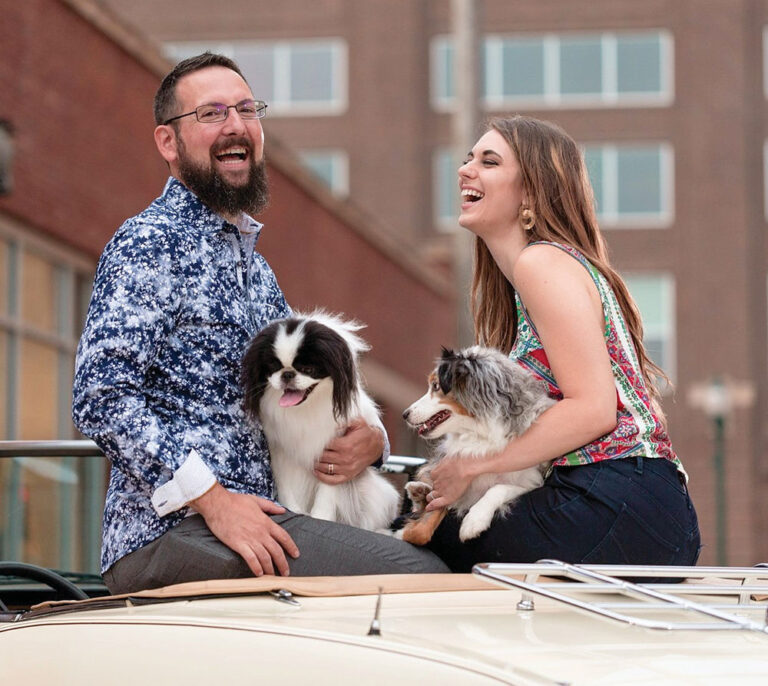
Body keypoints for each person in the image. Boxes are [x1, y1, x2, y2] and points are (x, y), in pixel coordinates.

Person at [72, 52, 447, 594]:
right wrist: (214, 502)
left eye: (247, 109)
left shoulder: (257, 268)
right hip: (174, 531)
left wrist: (373, 441)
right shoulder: (148, 243)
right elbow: (101, 396)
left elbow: (307, 391)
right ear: (167, 142)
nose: (236, 125)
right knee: (420, 576)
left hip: (268, 517)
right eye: (212, 113)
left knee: (448, 545)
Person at [423, 115, 701, 572]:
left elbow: (593, 409)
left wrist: (470, 468)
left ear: (531, 192)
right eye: (468, 158)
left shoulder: (542, 263)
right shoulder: (543, 269)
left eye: (489, 162)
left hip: (613, 499)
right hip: (631, 501)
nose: (465, 169)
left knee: (417, 539)